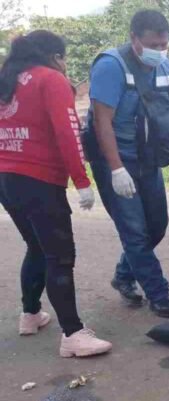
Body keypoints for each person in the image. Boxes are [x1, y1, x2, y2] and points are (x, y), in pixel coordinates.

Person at [0, 31, 112, 357]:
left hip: (6, 179)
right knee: (59, 256)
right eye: (64, 58)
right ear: (55, 56)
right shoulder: (51, 80)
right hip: (39, 180)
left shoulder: (7, 79)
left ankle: (30, 314)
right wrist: (82, 181)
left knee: (36, 245)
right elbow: (68, 133)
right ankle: (73, 334)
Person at [86, 10, 169, 317]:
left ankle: (123, 275)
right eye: (153, 45)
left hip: (149, 158)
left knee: (156, 226)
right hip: (117, 161)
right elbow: (102, 122)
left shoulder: (165, 67)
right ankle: (159, 295)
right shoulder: (111, 66)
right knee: (134, 231)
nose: (159, 50)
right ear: (134, 39)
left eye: (163, 44)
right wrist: (116, 169)